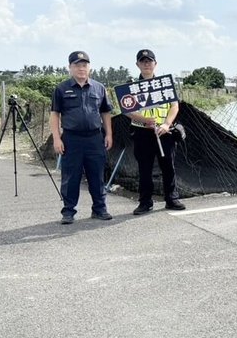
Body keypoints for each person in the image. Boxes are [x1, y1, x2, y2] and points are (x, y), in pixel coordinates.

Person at [49, 50, 114, 225]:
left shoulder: (99, 88)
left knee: (97, 175)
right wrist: (56, 138)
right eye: (77, 65)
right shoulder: (61, 89)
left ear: (89, 67)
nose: (81, 68)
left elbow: (105, 112)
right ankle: (68, 211)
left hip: (95, 138)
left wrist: (109, 134)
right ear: (70, 67)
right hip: (72, 138)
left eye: (84, 65)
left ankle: (100, 209)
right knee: (71, 176)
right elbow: (55, 114)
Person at [128, 48, 186, 214]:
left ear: (155, 64)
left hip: (163, 131)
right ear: (137, 64)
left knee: (168, 166)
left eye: (149, 61)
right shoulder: (132, 86)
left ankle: (172, 198)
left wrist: (167, 124)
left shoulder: (165, 84)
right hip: (142, 132)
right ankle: (145, 202)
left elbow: (174, 106)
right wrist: (144, 120)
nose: (146, 64)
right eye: (143, 61)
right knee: (144, 169)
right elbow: (127, 110)